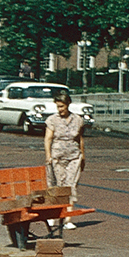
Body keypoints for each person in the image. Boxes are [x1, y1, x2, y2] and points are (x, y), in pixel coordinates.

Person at [44, 91, 86, 230]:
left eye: (62, 106)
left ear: (68, 105)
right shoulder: (52, 120)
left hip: (74, 156)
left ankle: (67, 218)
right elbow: (48, 139)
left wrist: (83, 155)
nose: (60, 109)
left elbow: (80, 138)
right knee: (59, 185)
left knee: (71, 186)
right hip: (57, 157)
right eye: (58, 106)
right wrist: (48, 155)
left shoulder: (78, 119)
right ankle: (53, 215)